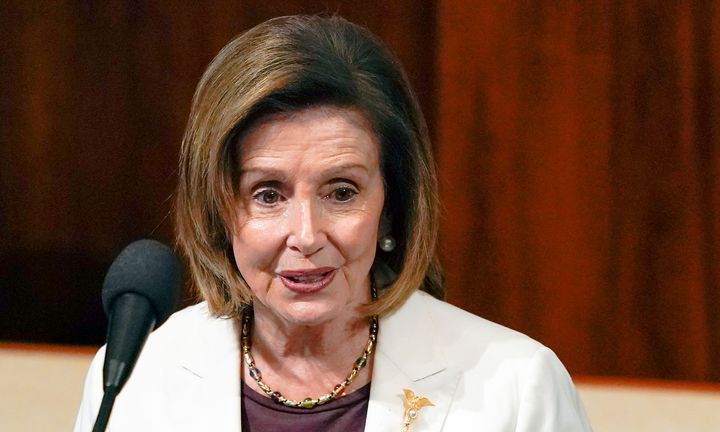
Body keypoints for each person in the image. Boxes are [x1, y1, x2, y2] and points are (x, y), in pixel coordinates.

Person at [75, 15, 592, 432]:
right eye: (268, 194)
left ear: (391, 206)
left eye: (341, 192)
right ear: (219, 208)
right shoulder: (136, 378)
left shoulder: (517, 388)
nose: (305, 235)